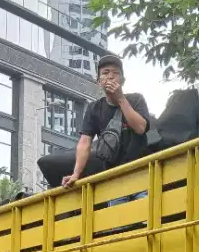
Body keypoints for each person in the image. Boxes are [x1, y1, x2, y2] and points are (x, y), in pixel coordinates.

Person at [61, 54, 151, 188]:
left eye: (116, 73)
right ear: (99, 80)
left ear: (123, 80)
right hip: (113, 176)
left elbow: (140, 128)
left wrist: (120, 98)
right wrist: (75, 174)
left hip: (141, 172)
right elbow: (85, 142)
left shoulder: (136, 100)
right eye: (105, 73)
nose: (110, 76)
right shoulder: (94, 108)